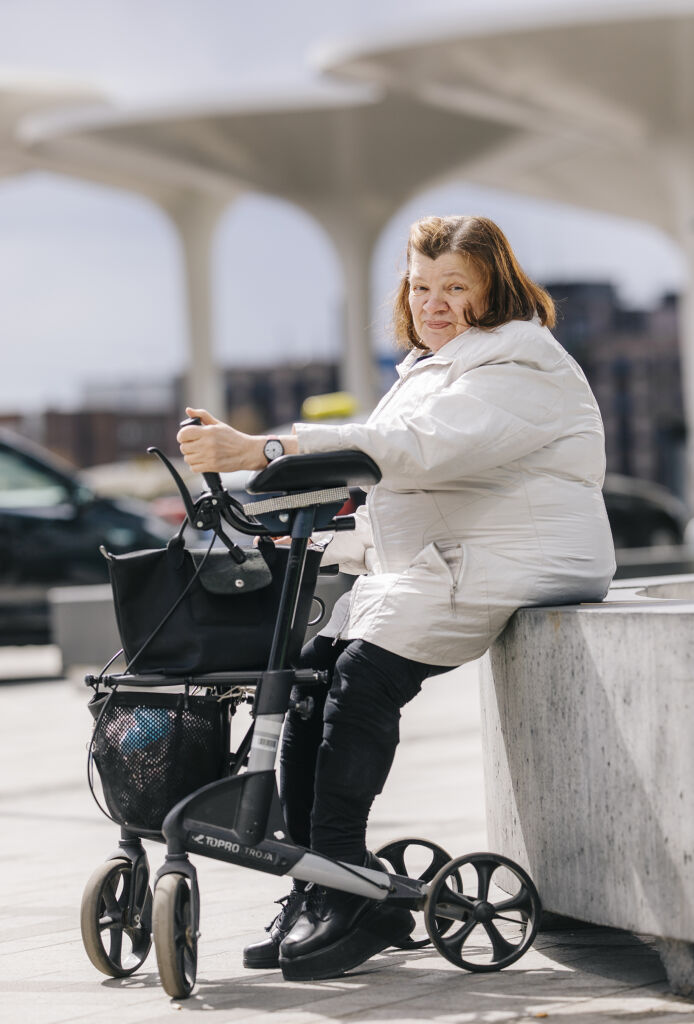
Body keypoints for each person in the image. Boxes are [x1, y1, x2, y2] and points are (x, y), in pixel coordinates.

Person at [177, 214, 616, 982]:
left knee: (358, 681)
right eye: (421, 287)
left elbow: (417, 453)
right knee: (309, 679)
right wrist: (316, 538)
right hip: (442, 564)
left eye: (456, 287)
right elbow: (398, 500)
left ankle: (350, 884)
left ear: (495, 289)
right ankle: (321, 880)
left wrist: (267, 448)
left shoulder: (521, 362)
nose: (434, 303)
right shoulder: (431, 368)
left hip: (516, 558)